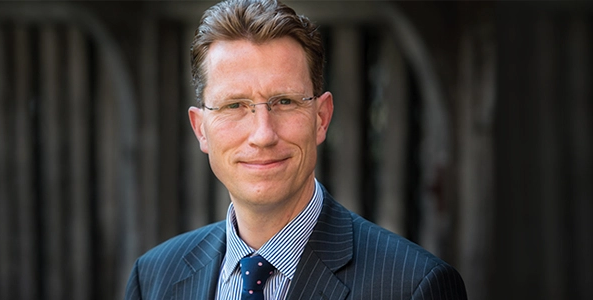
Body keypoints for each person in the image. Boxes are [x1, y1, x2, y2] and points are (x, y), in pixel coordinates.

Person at [124, 0, 468, 299]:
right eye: (235, 106)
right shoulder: (153, 278)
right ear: (201, 129)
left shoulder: (414, 286)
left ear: (321, 118)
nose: (262, 134)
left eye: (285, 101)